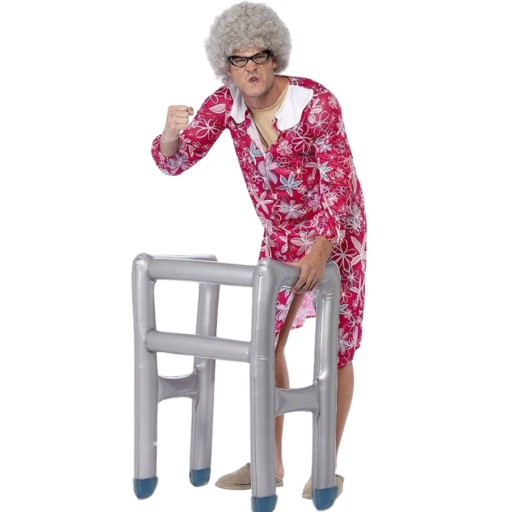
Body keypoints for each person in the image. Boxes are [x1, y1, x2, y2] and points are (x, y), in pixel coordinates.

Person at [151, 1, 366, 500]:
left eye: (259, 56)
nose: (249, 68)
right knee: (264, 344)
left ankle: (326, 466)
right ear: (225, 65)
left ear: (275, 57)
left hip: (337, 232)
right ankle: (270, 461)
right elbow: (176, 162)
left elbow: (338, 186)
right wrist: (169, 135)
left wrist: (320, 250)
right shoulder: (224, 103)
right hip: (280, 233)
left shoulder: (315, 103)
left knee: (337, 345)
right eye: (238, 59)